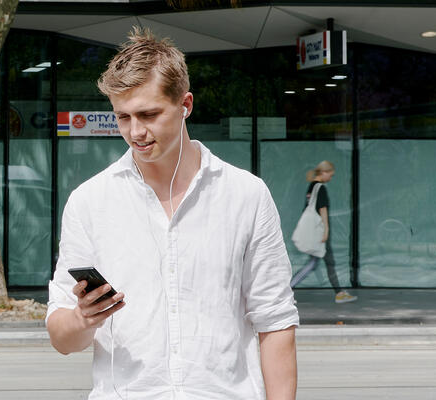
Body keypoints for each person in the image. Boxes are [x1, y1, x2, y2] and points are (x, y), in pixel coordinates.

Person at [46, 29, 298, 399]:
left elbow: (275, 322)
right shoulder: (90, 201)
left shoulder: (246, 195)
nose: (136, 132)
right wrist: (83, 318)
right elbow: (62, 339)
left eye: (149, 114)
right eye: (123, 117)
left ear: (186, 105)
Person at [289, 161, 356, 303]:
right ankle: (287, 290)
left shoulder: (311, 187)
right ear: (324, 172)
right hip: (321, 233)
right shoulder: (321, 188)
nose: (330, 178)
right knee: (314, 264)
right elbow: (323, 210)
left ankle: (339, 292)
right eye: (330, 175)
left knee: (326, 262)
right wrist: (326, 230)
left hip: (317, 232)